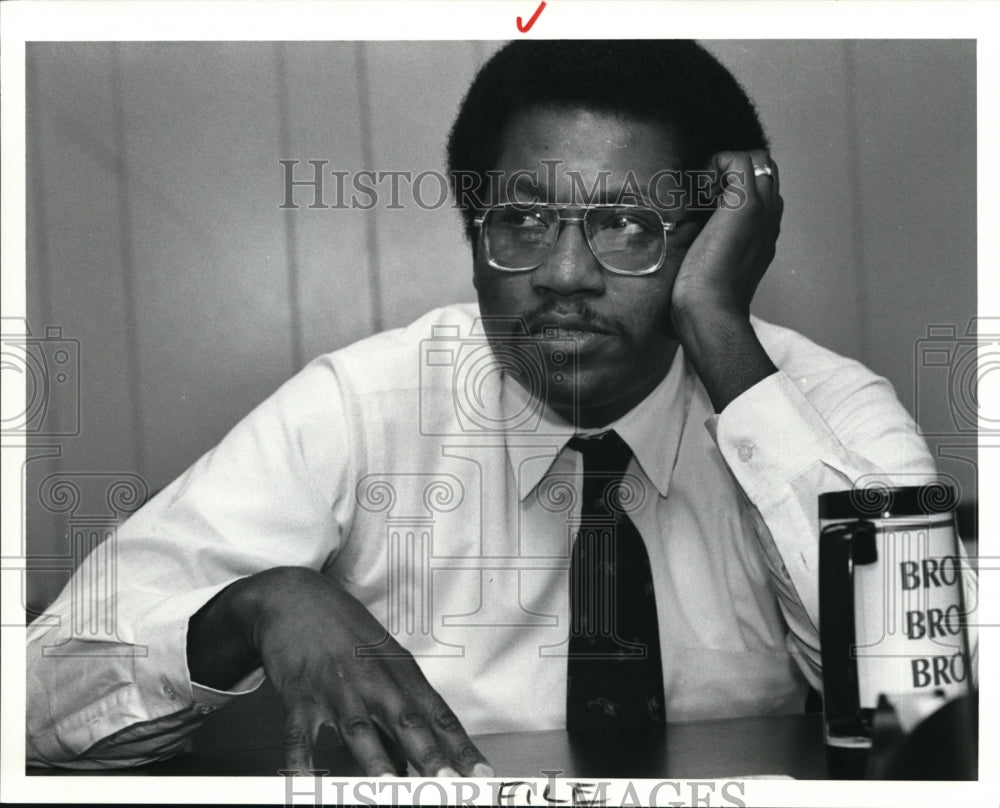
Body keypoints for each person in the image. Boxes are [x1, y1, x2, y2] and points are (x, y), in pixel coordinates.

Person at [25, 40, 958, 776]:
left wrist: (718, 327)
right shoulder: (366, 404)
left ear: (716, 236)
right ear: (475, 238)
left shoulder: (818, 407)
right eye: (522, 220)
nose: (563, 276)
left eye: (628, 224)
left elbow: (933, 715)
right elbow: (32, 699)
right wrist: (250, 608)